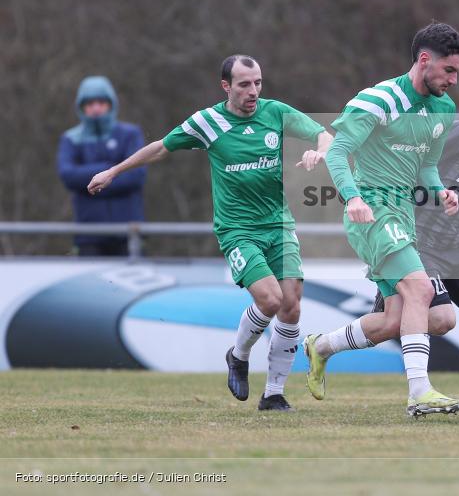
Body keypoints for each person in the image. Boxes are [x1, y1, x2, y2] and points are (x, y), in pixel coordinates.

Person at [87, 55, 332, 411]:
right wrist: (113, 171)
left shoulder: (276, 112)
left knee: (291, 306)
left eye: (258, 83)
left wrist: (319, 153)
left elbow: (324, 134)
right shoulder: (208, 122)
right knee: (270, 300)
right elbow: (161, 148)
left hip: (278, 224)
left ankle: (273, 394)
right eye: (244, 84)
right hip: (237, 229)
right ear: (226, 86)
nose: (253, 91)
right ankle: (238, 355)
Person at [305, 22, 459, 417]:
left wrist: (441, 191)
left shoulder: (443, 109)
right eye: (448, 70)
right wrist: (353, 198)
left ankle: (321, 346)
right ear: (424, 60)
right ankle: (420, 393)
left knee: (414, 319)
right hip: (372, 211)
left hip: (403, 214)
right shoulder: (378, 100)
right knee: (420, 290)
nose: (454, 80)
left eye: (458, 72)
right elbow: (338, 152)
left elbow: (426, 166)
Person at [57, 76, 146, 256]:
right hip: (88, 235)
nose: (96, 108)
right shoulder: (70, 139)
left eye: (101, 102)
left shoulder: (130, 134)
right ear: (81, 107)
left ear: (111, 104)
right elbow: (68, 175)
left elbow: (136, 175)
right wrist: (113, 168)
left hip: (128, 233)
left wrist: (91, 182)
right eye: (90, 103)